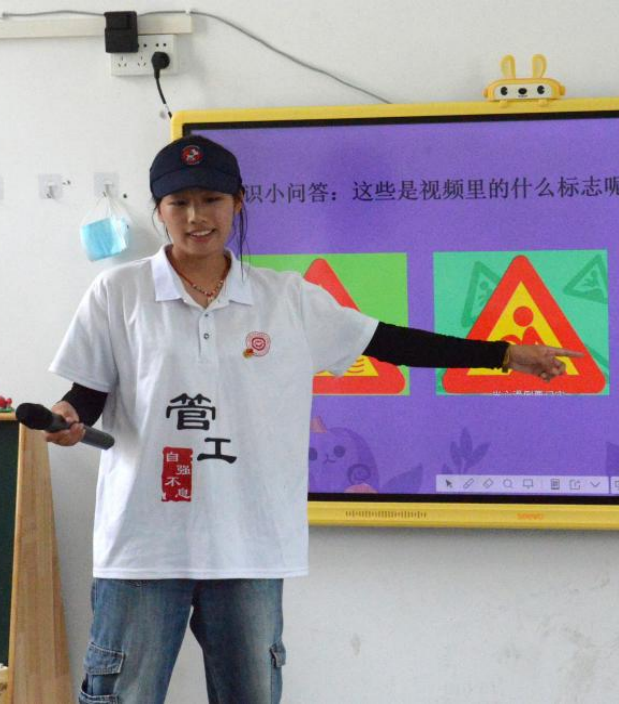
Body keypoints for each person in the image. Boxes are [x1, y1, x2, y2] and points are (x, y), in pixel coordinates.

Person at [47, 134, 582, 704]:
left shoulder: (286, 299)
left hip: (250, 543)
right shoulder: (118, 292)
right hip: (143, 543)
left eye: (212, 200)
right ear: (159, 211)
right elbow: (87, 392)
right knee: (122, 695)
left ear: (238, 203)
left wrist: (502, 354)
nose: (196, 217)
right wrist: (66, 416)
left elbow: (388, 342)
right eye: (179, 203)